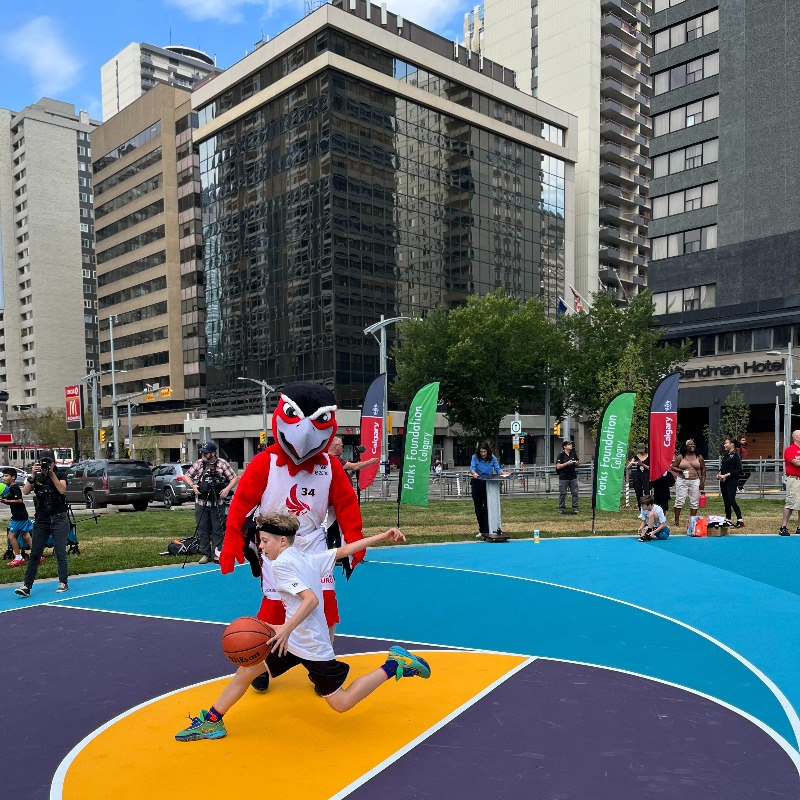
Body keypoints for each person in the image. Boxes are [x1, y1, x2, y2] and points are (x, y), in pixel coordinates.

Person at [175, 514, 431, 741]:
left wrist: (284, 628)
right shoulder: (303, 556)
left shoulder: (282, 565)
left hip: (309, 644)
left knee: (341, 703)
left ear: (282, 541)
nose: (261, 546)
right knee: (246, 671)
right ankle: (212, 721)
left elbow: (311, 600)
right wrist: (383, 535)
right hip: (294, 639)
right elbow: (342, 552)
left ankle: (395, 664)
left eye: (265, 541)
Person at [221, 382, 366, 693]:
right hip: (275, 546)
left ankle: (323, 666)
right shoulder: (265, 462)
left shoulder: (330, 466)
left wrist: (354, 538)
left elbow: (346, 505)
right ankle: (258, 660)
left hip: (313, 544)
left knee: (325, 607)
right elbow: (241, 503)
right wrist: (232, 539)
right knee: (275, 605)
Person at [14, 450, 70, 598]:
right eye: (42, 461)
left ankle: (63, 581)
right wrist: (32, 475)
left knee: (60, 552)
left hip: (59, 518)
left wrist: (51, 474)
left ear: (53, 462)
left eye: (48, 461)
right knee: (35, 553)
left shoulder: (60, 474)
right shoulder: (36, 476)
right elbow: (25, 491)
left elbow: (62, 490)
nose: (45, 464)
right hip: (42, 519)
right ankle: (27, 586)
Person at [183, 442, 238, 565]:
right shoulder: (198, 464)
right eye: (202, 452)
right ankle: (205, 554)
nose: (203, 454)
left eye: (206, 452)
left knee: (218, 529)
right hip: (201, 502)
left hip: (217, 502)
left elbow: (234, 477)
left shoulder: (222, 464)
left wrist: (227, 489)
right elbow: (186, 476)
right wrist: (193, 485)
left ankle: (217, 553)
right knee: (202, 528)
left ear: (213, 453)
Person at [469, 442, 507, 536]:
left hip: (488, 484)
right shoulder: (475, 457)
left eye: (484, 451)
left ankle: (488, 529)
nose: (482, 454)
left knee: (487, 507)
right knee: (478, 507)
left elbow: (498, 469)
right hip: (477, 482)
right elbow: (472, 468)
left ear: (487, 451)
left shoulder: (492, 458)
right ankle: (482, 530)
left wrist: (502, 472)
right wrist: (473, 473)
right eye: (481, 452)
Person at [669, 439, 705, 530]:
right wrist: (681, 470)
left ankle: (692, 522)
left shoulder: (699, 457)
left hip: (695, 481)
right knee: (679, 500)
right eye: (690, 445)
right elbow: (673, 467)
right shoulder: (681, 457)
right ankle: (676, 522)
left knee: (694, 502)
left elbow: (703, 470)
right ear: (685, 447)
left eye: (693, 444)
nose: (692, 446)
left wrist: (702, 482)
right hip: (682, 480)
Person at [3, 468, 33, 567]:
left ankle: (18, 558)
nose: (4, 478)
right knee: (26, 536)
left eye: (6, 476)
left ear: (13, 477)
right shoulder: (10, 489)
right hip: (22, 515)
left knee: (11, 536)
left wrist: (5, 501)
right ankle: (36, 555)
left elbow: (19, 500)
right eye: (3, 476)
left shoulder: (15, 488)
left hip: (19, 517)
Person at [717, 438, 744, 528]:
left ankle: (740, 520)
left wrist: (727, 475)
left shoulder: (736, 455)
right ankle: (728, 519)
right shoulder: (726, 455)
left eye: (726, 443)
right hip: (724, 481)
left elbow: (739, 469)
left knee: (731, 499)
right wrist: (720, 474)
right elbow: (723, 466)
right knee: (726, 500)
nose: (724, 445)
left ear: (731, 444)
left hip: (732, 481)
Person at [779, 429, 800, 536]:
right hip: (794, 480)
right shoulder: (789, 450)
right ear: (796, 437)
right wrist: (797, 460)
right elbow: (796, 463)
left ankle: (799, 527)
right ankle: (784, 527)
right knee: (790, 503)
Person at [555, 440, 579, 515]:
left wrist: (576, 463)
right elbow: (558, 466)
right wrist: (566, 463)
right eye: (568, 445)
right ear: (564, 447)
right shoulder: (561, 455)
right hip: (563, 477)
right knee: (563, 493)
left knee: (575, 492)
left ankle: (575, 507)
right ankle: (561, 507)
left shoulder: (573, 454)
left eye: (571, 444)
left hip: (573, 476)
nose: (570, 446)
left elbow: (578, 464)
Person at [628, 443, 650, 510]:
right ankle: (640, 508)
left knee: (647, 492)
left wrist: (642, 464)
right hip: (638, 475)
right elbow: (628, 467)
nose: (640, 452)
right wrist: (632, 463)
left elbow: (650, 468)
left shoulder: (649, 456)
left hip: (646, 475)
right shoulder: (636, 457)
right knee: (638, 492)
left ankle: (648, 507)